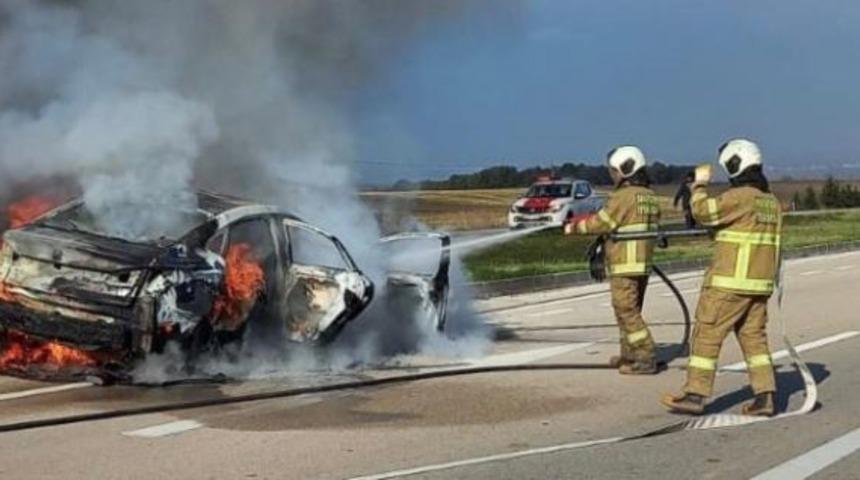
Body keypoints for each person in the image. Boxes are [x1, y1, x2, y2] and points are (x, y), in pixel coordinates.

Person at [662, 138, 781, 416]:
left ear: (734, 165)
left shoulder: (740, 197)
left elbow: (704, 212)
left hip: (730, 282)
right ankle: (766, 396)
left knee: (707, 335)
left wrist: (699, 186)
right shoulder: (770, 202)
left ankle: (695, 395)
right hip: (759, 285)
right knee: (754, 339)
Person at [565, 146, 661, 374]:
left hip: (624, 261)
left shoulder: (622, 197)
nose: (612, 176)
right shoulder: (649, 196)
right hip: (642, 262)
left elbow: (602, 222)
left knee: (625, 309)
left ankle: (646, 356)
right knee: (629, 310)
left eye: (614, 171)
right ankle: (629, 355)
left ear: (625, 170)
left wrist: (573, 227)